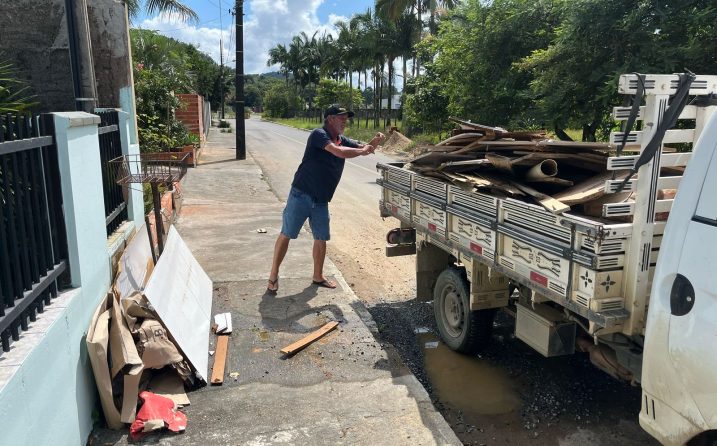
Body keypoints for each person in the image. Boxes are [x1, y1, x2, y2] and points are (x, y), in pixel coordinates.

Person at [266, 105, 385, 293]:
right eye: (341, 117)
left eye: (347, 117)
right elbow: (338, 152)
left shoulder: (341, 139)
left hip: (321, 199)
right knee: (287, 233)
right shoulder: (318, 135)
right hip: (301, 194)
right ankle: (273, 275)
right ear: (330, 118)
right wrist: (362, 151)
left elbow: (364, 149)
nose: (345, 120)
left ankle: (318, 276)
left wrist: (374, 143)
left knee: (321, 238)